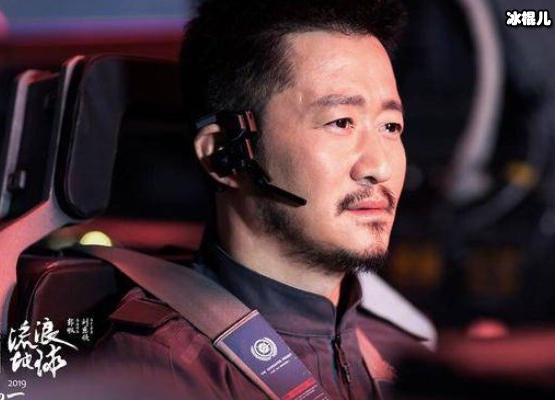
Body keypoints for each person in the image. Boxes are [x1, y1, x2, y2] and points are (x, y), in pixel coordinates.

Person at [90, 0, 435, 398]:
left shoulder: (404, 356)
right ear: (226, 154)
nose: (380, 166)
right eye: (341, 122)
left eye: (390, 126)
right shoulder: (162, 372)